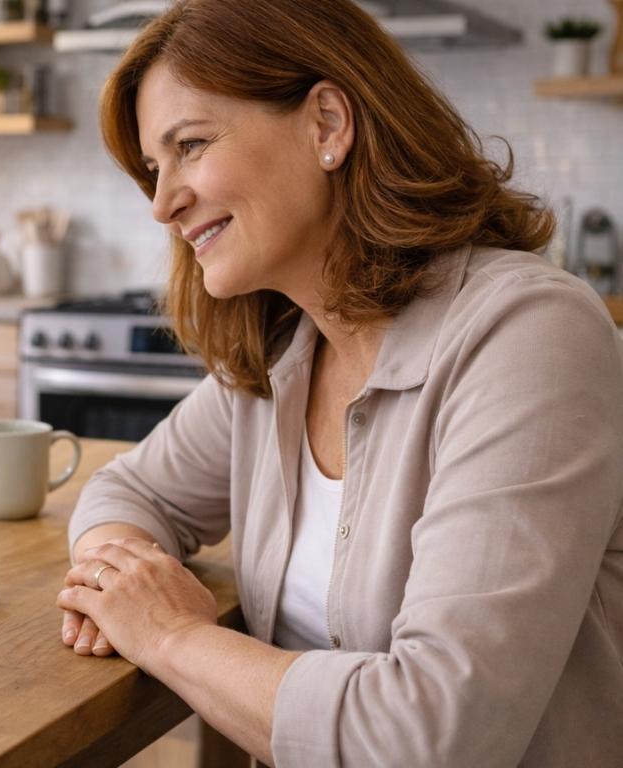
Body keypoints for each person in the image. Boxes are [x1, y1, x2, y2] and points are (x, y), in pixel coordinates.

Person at [56, 1, 623, 765]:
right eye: (155, 171)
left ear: (327, 124)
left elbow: (432, 739)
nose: (162, 205)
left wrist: (168, 634)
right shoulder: (283, 353)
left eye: (189, 146)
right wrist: (122, 580)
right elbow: (128, 492)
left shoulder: (528, 334)